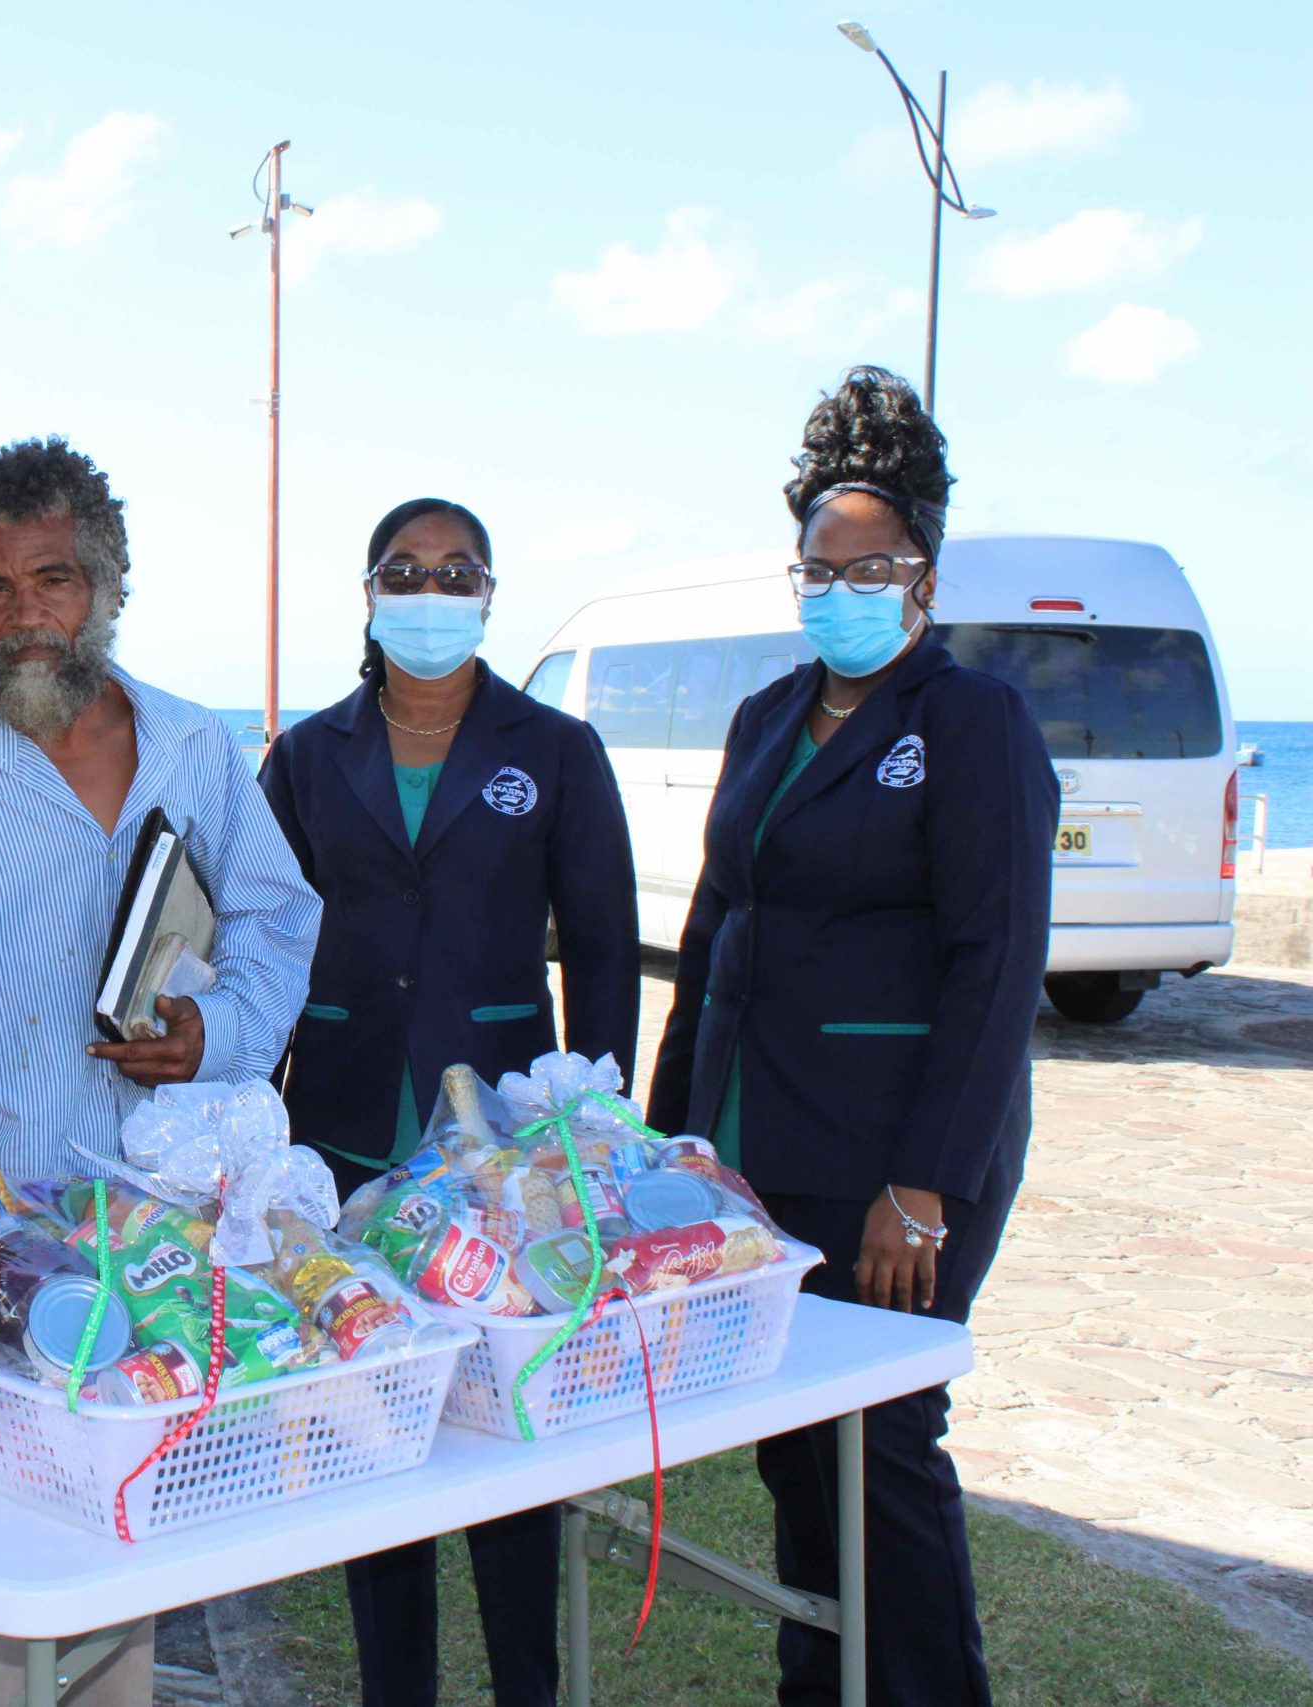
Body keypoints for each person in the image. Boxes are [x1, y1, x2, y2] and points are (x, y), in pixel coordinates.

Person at [0, 437, 320, 1706]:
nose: (25, 618)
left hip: (152, 1223)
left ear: (110, 583)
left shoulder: (193, 746)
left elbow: (279, 918)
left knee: (126, 1538)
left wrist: (214, 1037)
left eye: (53, 581)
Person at [646, 367, 1056, 1706]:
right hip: (756, 1151)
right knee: (791, 1446)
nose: (841, 585)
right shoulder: (768, 716)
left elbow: (995, 962)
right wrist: (665, 1142)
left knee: (881, 1443)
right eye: (820, 562)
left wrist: (924, 1181)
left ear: (924, 575)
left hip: (898, 1161)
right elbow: (714, 930)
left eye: (871, 561)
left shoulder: (972, 722)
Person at [259, 497, 639, 1707]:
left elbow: (603, 940)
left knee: (508, 1414)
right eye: (404, 571)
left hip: (504, 1140)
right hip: (348, 1122)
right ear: (367, 595)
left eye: (454, 571)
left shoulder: (554, 749)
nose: (430, 592)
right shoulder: (310, 756)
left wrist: (599, 1113)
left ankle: (528, 1683)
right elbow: (265, 936)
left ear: (488, 592)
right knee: (381, 1421)